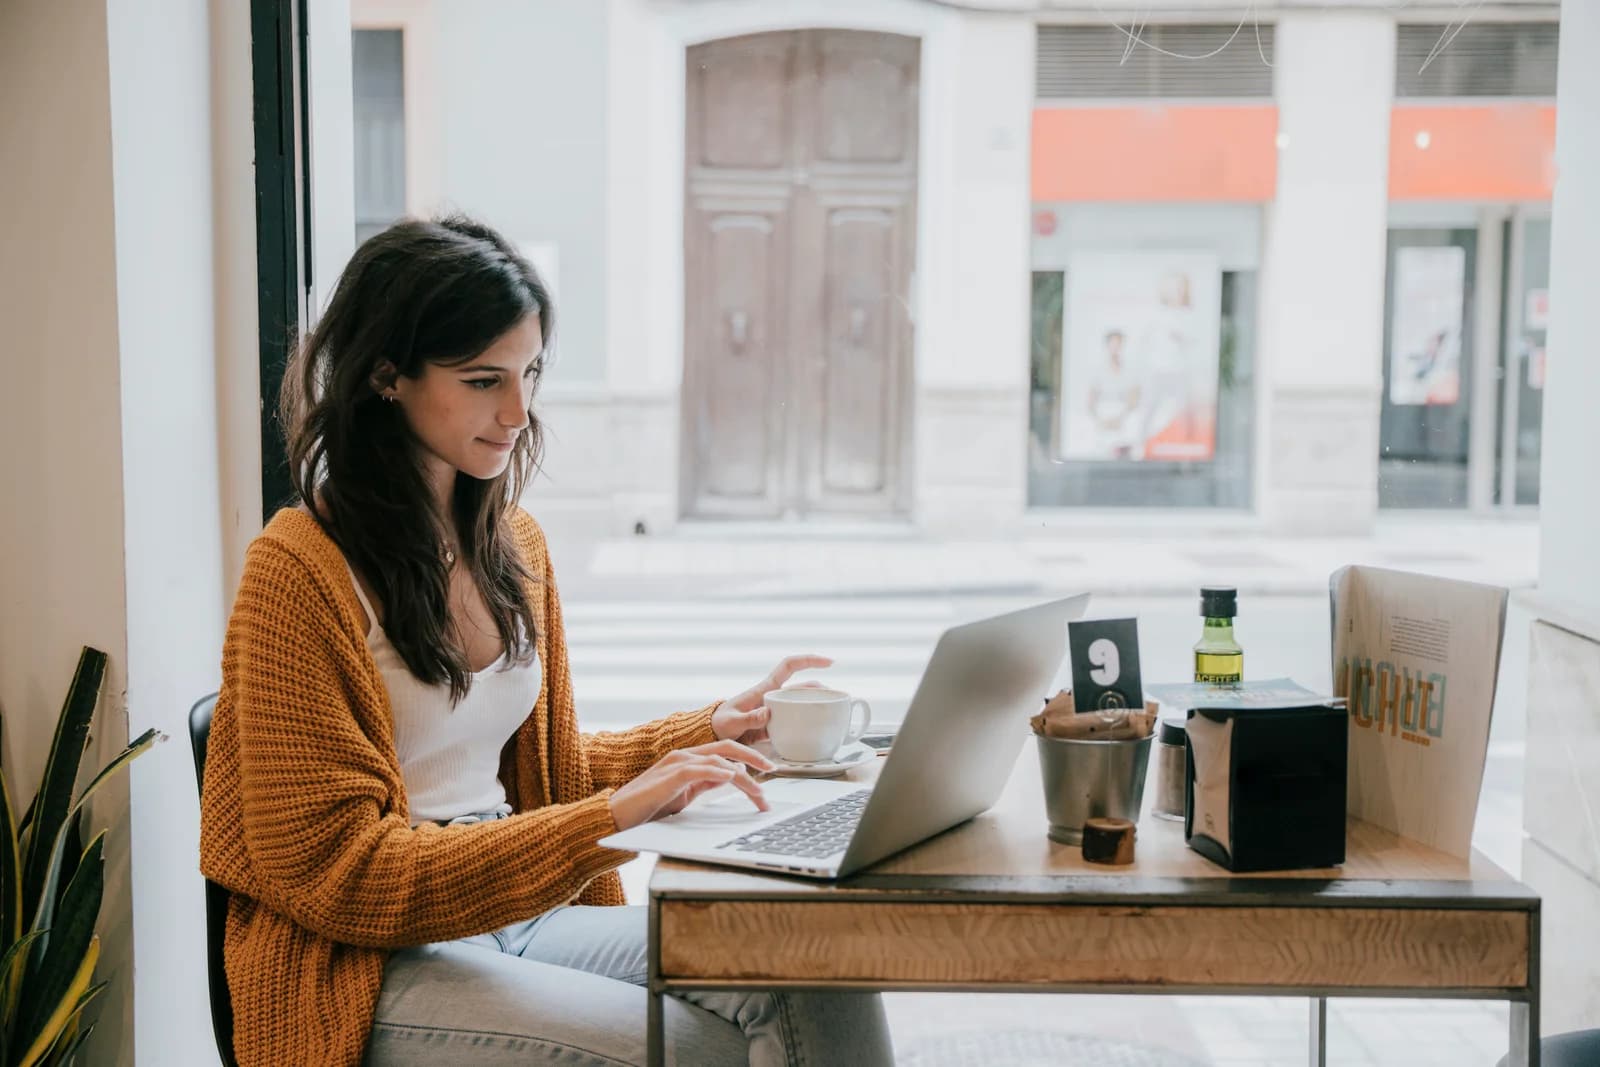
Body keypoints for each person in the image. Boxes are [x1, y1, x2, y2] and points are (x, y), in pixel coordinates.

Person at [198, 215, 895, 1067]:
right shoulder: (298, 572)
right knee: (699, 1050)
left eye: (529, 372)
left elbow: (548, 770)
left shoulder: (512, 545)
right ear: (387, 375)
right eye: (483, 379)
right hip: (368, 964)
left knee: (816, 962)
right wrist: (609, 818)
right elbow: (343, 875)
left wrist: (709, 732)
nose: (518, 411)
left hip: (518, 915)